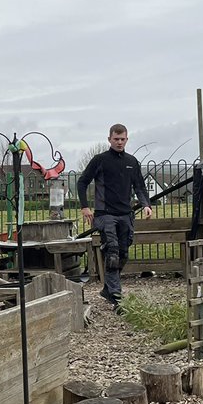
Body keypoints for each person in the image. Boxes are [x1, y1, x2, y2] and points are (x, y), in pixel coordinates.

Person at [77, 124, 153, 307]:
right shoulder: (100, 160)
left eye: (122, 139)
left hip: (126, 214)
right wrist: (85, 207)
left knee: (123, 253)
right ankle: (116, 298)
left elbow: (140, 187)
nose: (119, 142)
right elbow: (82, 182)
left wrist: (146, 205)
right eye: (116, 139)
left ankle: (108, 289)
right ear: (109, 139)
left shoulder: (132, 161)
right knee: (112, 251)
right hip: (105, 214)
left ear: (127, 139)